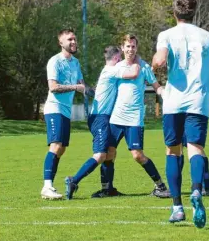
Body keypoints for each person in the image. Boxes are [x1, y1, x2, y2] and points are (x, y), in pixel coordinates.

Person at [152, 0, 209, 228]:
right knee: (195, 148)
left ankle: (177, 208)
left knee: (173, 151)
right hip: (198, 102)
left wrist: (154, 63)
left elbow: (160, 61)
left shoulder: (166, 35)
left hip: (173, 102)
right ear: (194, 11)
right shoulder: (208, 37)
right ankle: (196, 190)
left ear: (175, 11)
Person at [64, 46, 140, 200]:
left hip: (105, 117)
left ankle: (107, 189)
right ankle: (74, 180)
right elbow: (133, 73)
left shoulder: (108, 71)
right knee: (100, 155)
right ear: (117, 58)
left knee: (110, 153)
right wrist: (136, 61)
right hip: (100, 118)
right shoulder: (112, 70)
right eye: (121, 57)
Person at [106, 34, 171, 198]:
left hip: (134, 119)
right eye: (127, 46)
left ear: (137, 48)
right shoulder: (118, 67)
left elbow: (156, 86)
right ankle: (107, 188)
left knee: (137, 155)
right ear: (122, 48)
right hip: (116, 118)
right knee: (109, 153)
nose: (130, 49)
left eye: (133, 46)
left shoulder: (144, 67)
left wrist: (165, 94)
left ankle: (160, 186)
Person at [41, 28, 86, 199]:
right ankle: (47, 186)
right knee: (56, 145)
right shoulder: (55, 61)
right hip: (54, 108)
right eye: (69, 40)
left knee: (62, 149)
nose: (73, 42)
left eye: (74, 39)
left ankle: (49, 186)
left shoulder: (75, 63)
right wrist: (75, 87)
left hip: (65, 111)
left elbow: (82, 85)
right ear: (61, 43)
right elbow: (53, 87)